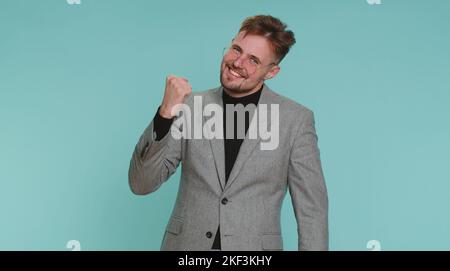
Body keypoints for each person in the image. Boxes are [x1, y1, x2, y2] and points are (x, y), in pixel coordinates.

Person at [128, 15, 328, 251]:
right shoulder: (190, 106)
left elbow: (311, 209)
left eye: (253, 59)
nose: (237, 62)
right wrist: (165, 114)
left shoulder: (295, 120)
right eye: (236, 49)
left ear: (271, 72)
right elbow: (141, 184)